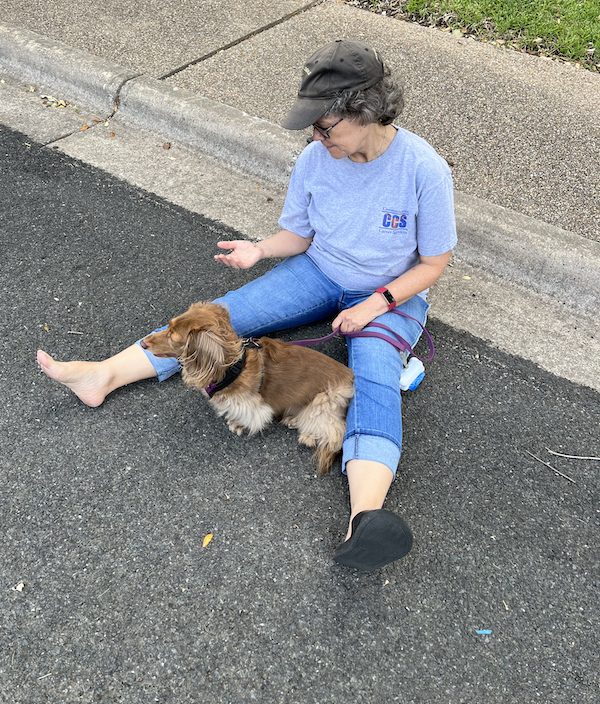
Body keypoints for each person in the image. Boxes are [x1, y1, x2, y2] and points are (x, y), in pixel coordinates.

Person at [37, 39, 457, 572]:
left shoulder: (423, 169)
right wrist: (261, 249)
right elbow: (297, 236)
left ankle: (365, 517)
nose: (315, 136)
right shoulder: (315, 159)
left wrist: (376, 305)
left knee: (374, 375)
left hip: (393, 291)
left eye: (324, 126)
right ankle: (104, 375)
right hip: (319, 270)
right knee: (219, 316)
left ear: (366, 112)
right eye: (313, 127)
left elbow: (433, 264)